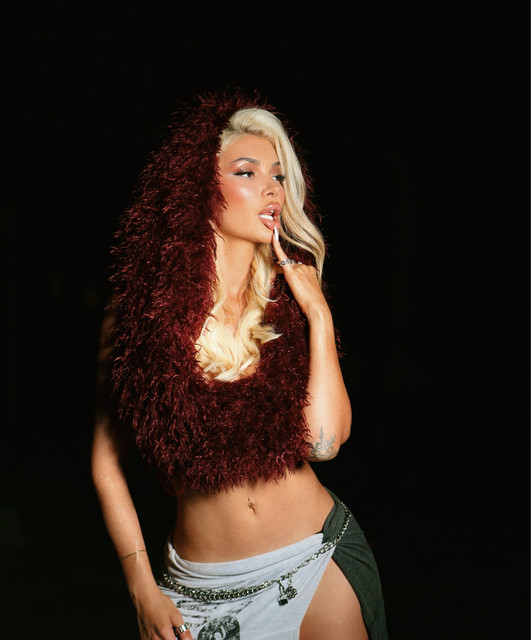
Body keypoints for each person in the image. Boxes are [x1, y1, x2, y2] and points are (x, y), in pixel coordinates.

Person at [92, 90, 388, 640]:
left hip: (318, 561)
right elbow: (107, 464)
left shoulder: (289, 300)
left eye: (278, 176)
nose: (272, 189)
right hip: (199, 589)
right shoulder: (139, 315)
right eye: (247, 172)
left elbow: (323, 444)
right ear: (199, 188)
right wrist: (140, 587)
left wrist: (319, 314)